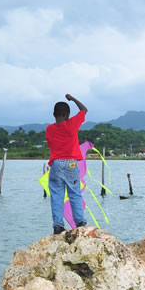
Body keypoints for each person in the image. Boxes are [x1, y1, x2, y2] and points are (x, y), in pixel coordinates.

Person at [45, 94, 88, 235]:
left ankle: (58, 225)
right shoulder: (72, 125)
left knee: (57, 195)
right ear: (68, 115)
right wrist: (73, 98)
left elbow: (51, 144)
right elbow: (84, 109)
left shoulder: (49, 129)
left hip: (56, 164)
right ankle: (80, 222)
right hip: (71, 164)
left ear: (53, 114)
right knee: (74, 193)